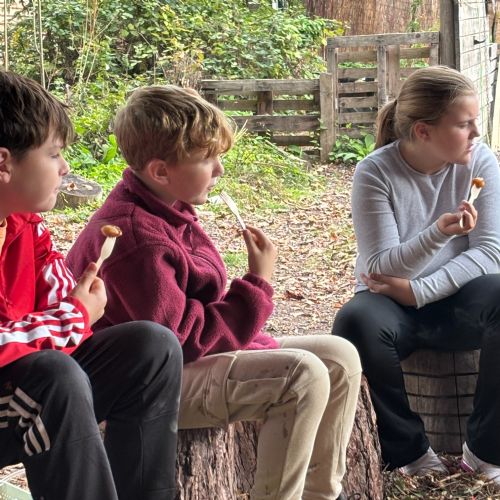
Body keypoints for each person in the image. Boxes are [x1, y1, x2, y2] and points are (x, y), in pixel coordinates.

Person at [66, 84, 362, 500]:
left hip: (186, 360)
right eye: (207, 158)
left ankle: (319, 494)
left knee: (339, 357)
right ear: (160, 171)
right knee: (302, 376)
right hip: (145, 387)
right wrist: (257, 284)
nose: (220, 169)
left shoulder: (167, 208)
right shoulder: (137, 238)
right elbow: (182, 342)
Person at [0, 70, 183, 500]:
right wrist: (75, 315)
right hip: (24, 390)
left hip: (14, 388)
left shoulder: (25, 225)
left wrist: (78, 300)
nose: (65, 168)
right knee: (53, 379)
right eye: (53, 154)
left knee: (151, 348)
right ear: (4, 162)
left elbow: (59, 301)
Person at [332, 65, 500, 482]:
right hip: (390, 306)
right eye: (464, 124)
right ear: (424, 131)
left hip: (456, 300)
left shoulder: (480, 160)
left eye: (475, 121)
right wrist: (438, 233)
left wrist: (420, 291)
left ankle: (485, 450)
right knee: (355, 320)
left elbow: (490, 253)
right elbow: (380, 267)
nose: (477, 133)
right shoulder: (375, 171)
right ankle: (408, 452)